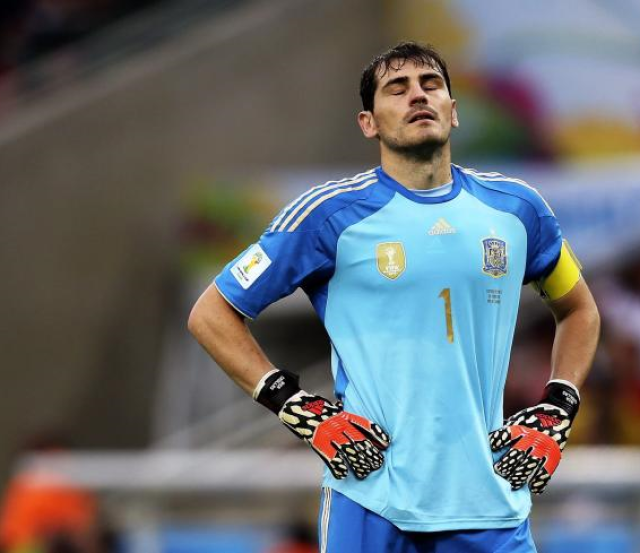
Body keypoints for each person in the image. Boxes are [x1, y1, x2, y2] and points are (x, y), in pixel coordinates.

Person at [188, 41, 600, 552]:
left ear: (454, 110)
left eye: (431, 84)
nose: (418, 96)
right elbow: (212, 313)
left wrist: (559, 405)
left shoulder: (518, 210)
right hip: (371, 502)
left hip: (492, 505)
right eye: (397, 88)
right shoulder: (329, 215)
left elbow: (579, 309)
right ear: (369, 123)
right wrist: (296, 405)